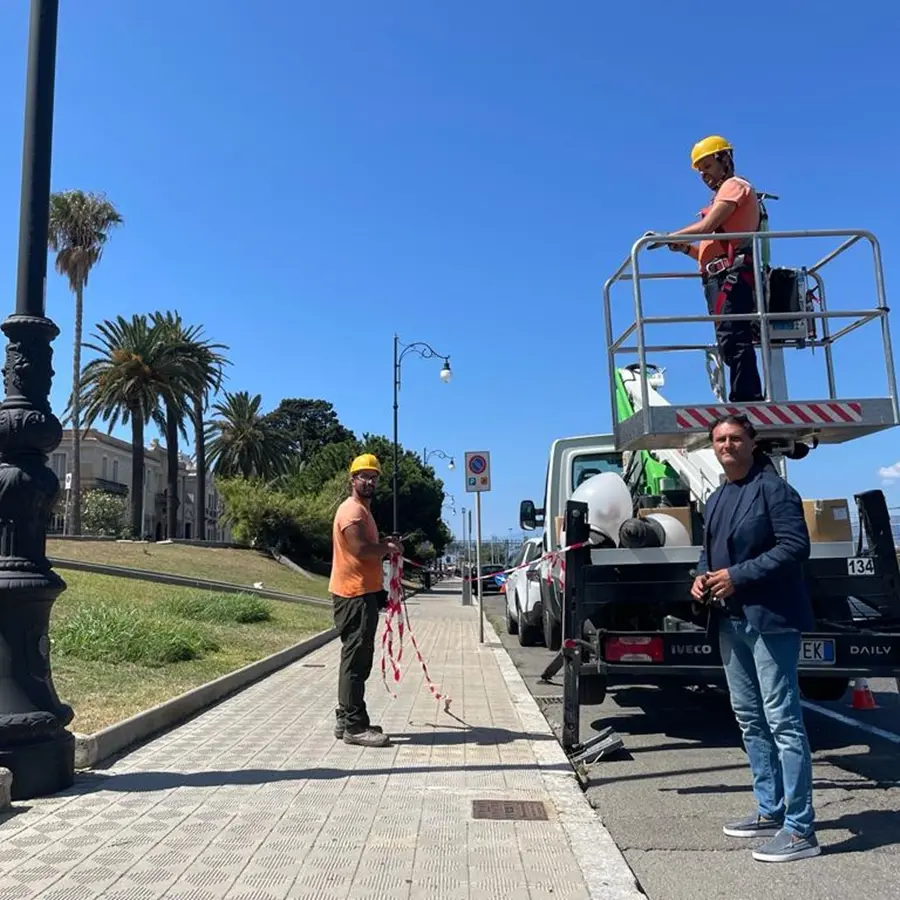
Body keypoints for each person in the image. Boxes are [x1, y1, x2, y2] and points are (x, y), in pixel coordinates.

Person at [691, 414, 820, 863]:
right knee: (749, 718)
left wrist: (738, 576)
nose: (727, 445)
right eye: (720, 439)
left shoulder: (775, 490)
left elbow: (794, 546)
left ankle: (801, 829)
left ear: (751, 442)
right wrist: (701, 577)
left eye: (735, 438)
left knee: (783, 720)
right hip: (731, 621)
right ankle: (770, 809)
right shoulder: (717, 496)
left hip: (771, 620)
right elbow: (710, 552)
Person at [666, 135, 764, 404]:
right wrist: (686, 248)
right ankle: (744, 396)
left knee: (735, 339)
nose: (704, 175)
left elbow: (707, 227)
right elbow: (709, 253)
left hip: (731, 277)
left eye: (708, 166)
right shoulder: (721, 195)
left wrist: (668, 236)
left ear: (725, 159)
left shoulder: (734, 186)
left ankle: (747, 399)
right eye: (700, 171)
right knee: (729, 340)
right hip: (718, 276)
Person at [328, 453, 402, 747]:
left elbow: (369, 548)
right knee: (356, 662)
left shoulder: (362, 511)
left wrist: (386, 546)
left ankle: (346, 717)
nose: (370, 482)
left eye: (374, 477)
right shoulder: (353, 512)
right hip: (353, 594)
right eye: (364, 477)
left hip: (362, 592)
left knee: (356, 659)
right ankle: (355, 727)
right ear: (353, 479)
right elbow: (360, 550)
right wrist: (387, 548)